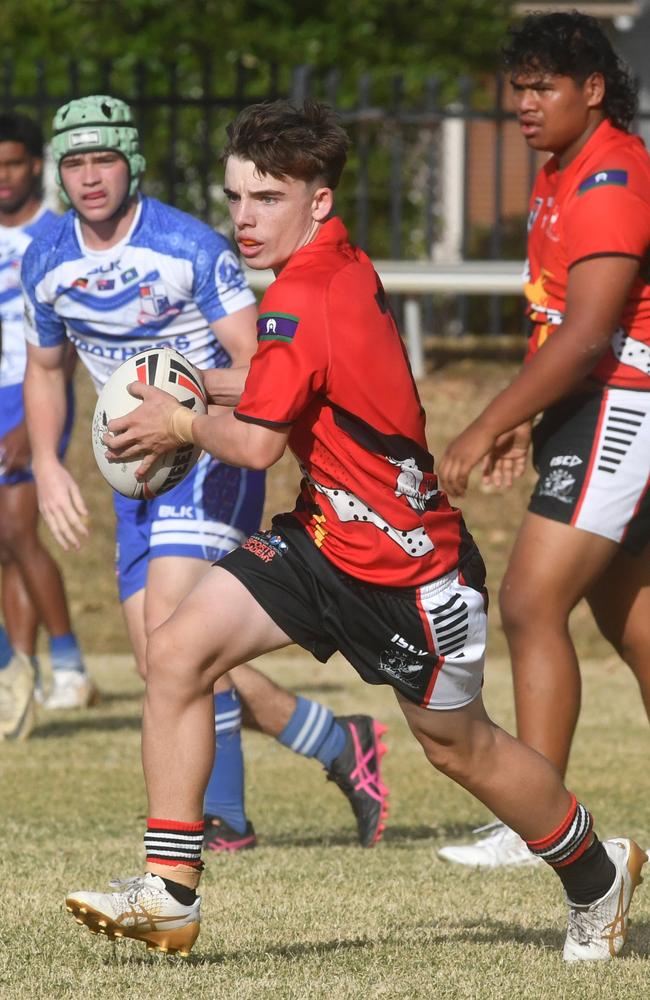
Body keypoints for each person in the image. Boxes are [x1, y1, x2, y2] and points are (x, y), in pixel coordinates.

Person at [64, 99, 644, 963]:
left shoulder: (305, 294)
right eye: (234, 199)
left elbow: (258, 445)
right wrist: (189, 385)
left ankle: (598, 874)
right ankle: (170, 894)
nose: (245, 218)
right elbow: (282, 385)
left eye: (267, 198)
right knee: (178, 650)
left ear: (319, 203)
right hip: (325, 537)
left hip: (407, 572)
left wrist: (179, 424)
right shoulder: (325, 274)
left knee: (463, 749)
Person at [22, 95, 389, 852]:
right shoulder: (46, 258)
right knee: (170, 658)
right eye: (76, 163)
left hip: (206, 455)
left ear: (134, 164)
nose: (91, 178)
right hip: (132, 466)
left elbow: (259, 363)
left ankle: (221, 819)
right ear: (59, 175)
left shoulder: (189, 246)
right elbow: (43, 367)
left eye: (105, 159)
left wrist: (185, 414)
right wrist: (48, 468)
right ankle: (337, 743)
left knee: (175, 642)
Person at [436, 10, 650, 869]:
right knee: (631, 622)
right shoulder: (562, 168)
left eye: (541, 87)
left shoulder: (611, 179)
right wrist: (528, 414)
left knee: (530, 602)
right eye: (517, 87)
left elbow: (593, 330)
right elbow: (553, 309)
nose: (523, 104)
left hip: (621, 402)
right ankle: (540, 816)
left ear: (592, 90)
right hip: (590, 407)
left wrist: (488, 418)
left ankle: (539, 823)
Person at [0, 111, 95, 727]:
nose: (1, 177)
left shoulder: (59, 235)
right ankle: (16, 670)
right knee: (3, 545)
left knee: (16, 530)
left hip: (30, 391)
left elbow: (70, 345)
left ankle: (69, 667)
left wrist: (28, 428)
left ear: (36, 165)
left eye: (11, 164)